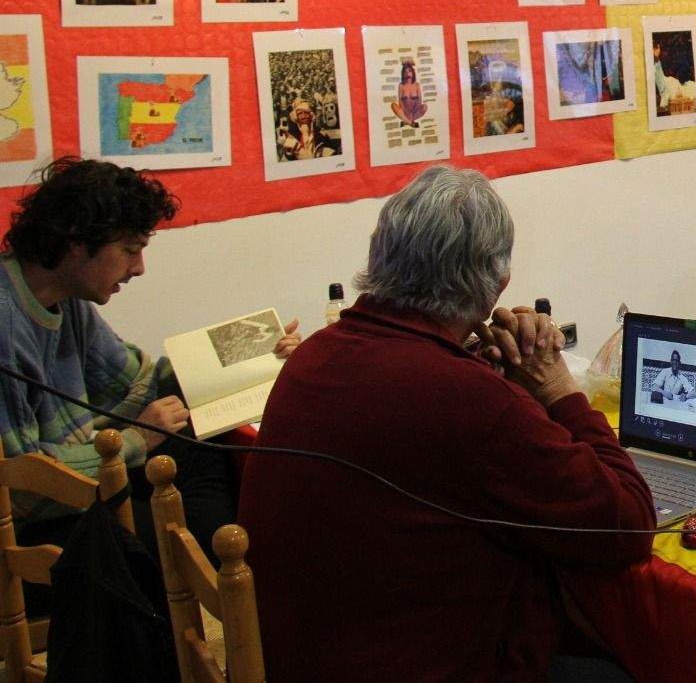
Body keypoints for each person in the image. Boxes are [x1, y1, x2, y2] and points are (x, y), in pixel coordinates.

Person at [238, 166, 653, 681]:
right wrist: (557, 390)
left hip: (302, 656)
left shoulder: (314, 353)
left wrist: (475, 369)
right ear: (496, 287)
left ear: (381, 254)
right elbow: (628, 523)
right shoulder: (468, 400)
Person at [0, 158, 299, 580]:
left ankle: (223, 580)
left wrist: (261, 356)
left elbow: (141, 382)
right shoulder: (6, 321)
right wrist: (136, 439)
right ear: (77, 241)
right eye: (129, 250)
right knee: (165, 536)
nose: (139, 268)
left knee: (199, 434)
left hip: (81, 480)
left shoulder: (65, 299)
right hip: (34, 520)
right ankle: (223, 584)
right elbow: (22, 487)